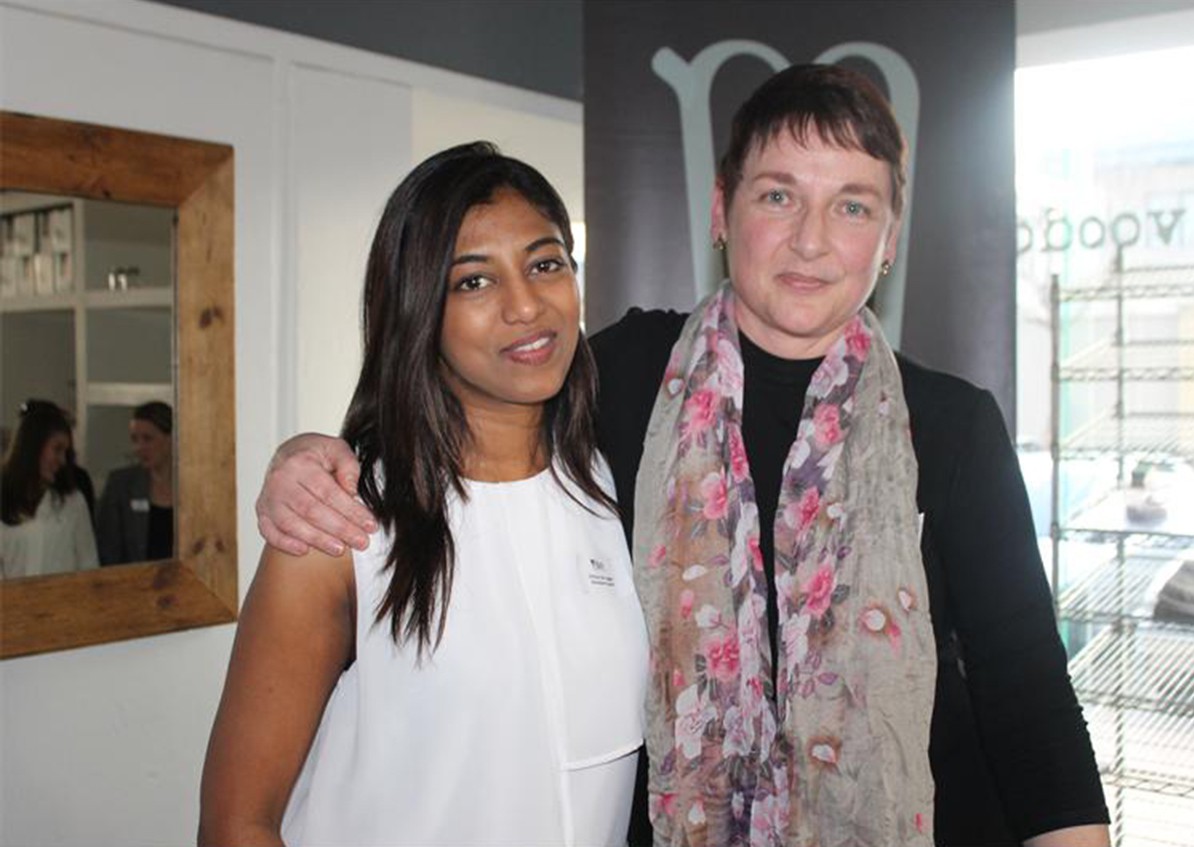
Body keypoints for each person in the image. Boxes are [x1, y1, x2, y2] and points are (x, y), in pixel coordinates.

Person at [253, 66, 1111, 846]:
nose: (811, 240)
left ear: (888, 237)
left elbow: (1026, 688)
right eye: (779, 196)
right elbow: (461, 401)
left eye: (853, 205)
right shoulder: (621, 380)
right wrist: (314, 456)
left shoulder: (952, 426)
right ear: (720, 210)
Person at [199, 143, 648, 846]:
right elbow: (236, 824)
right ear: (417, 307)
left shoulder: (619, 488)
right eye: (473, 282)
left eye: (545, 263)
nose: (526, 305)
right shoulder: (342, 525)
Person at [1, 400, 99, 577]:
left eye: (65, 452)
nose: (62, 460)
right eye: (57, 449)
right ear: (33, 447)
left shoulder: (73, 503)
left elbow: (89, 567)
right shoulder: (4, 498)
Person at [96, 401, 174, 564]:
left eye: (148, 439)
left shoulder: (193, 486)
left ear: (170, 438)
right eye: (134, 439)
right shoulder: (120, 485)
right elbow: (108, 551)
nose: (139, 447)